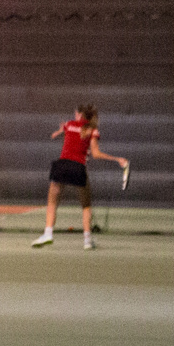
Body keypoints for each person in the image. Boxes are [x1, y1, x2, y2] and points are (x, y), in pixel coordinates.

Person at [32, 105, 127, 250]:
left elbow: (57, 133)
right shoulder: (92, 130)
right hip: (78, 168)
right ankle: (87, 240)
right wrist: (117, 159)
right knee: (86, 206)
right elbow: (96, 154)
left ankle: (48, 234)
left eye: (76, 113)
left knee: (52, 203)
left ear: (80, 115)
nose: (74, 116)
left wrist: (59, 131)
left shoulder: (69, 124)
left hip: (62, 166)